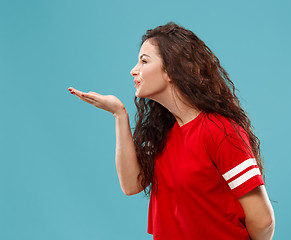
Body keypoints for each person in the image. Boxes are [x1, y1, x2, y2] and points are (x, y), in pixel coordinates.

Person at [68, 22, 275, 240]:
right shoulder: (161, 133)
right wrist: (119, 114)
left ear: (171, 70)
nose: (133, 70)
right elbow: (131, 184)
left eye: (144, 61)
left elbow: (263, 221)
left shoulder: (220, 131)